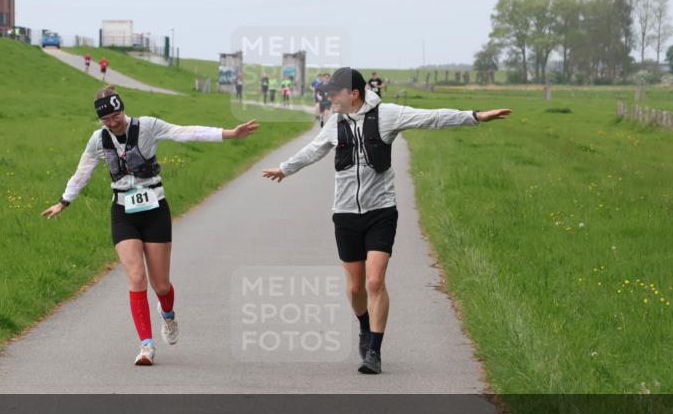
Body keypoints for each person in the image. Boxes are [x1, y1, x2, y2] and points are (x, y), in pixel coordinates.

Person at [261, 68, 510, 375]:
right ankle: (364, 325)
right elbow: (313, 150)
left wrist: (474, 116)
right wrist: (285, 168)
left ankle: (374, 353)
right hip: (346, 214)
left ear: (353, 94)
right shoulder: (335, 122)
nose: (330, 98)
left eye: (334, 93)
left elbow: (429, 118)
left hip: (381, 211)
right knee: (355, 289)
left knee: (375, 281)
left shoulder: (387, 115)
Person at [42, 87, 260, 365]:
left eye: (116, 115)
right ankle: (146, 346)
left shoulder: (148, 127)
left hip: (155, 208)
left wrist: (230, 133)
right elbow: (82, 172)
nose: (112, 122)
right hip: (123, 211)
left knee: (161, 285)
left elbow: (186, 132)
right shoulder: (98, 140)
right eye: (105, 119)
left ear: (122, 109)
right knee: (136, 278)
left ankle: (168, 315)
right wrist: (64, 201)